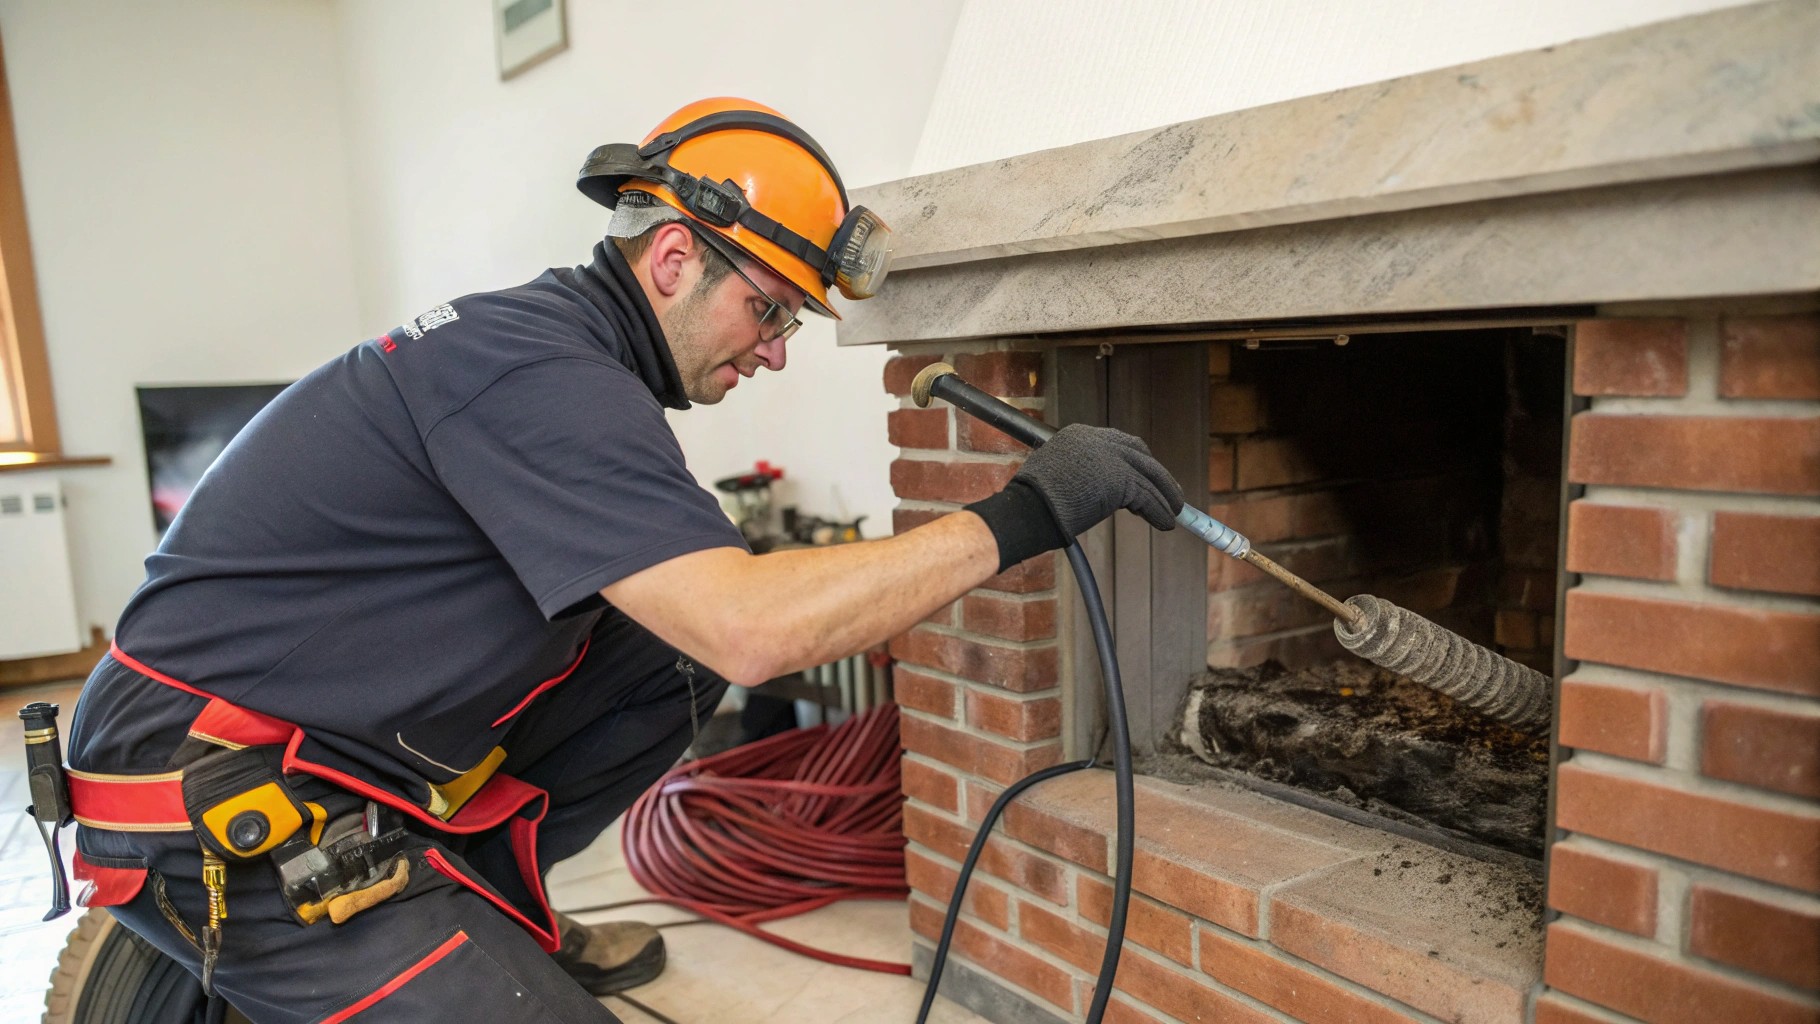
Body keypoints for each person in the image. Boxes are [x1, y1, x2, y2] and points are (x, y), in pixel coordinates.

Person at [62, 98, 1183, 1023]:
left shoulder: (561, 352)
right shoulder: (540, 375)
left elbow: (709, 622)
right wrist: (1029, 510)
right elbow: (754, 625)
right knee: (710, 642)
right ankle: (419, 945)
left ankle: (486, 903)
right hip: (211, 792)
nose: (774, 351)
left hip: (323, 751)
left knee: (666, 656)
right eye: (767, 309)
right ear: (674, 254)